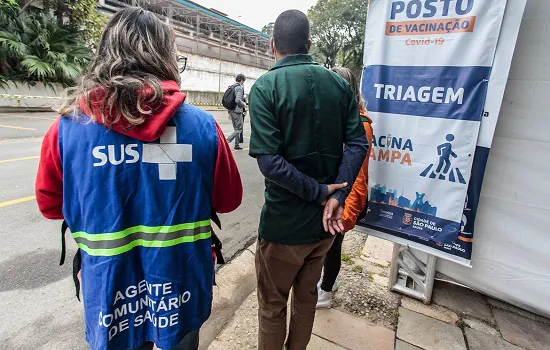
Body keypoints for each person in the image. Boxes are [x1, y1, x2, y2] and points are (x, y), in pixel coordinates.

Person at [35, 8, 242, 350]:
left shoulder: (66, 129)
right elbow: (229, 199)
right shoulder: (202, 126)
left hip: (111, 289)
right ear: (165, 58)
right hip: (180, 284)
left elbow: (50, 206)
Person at [248, 10, 369, 350]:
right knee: (306, 300)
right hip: (325, 227)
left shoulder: (266, 87)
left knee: (273, 307)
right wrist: (336, 196)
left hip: (284, 226)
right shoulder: (339, 85)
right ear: (309, 44)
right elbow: (358, 142)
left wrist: (318, 193)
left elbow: (269, 161)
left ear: (273, 45)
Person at [317, 67, 374, 309]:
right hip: (339, 195)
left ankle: (326, 292)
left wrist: (345, 207)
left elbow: (357, 175)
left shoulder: (360, 124)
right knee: (329, 245)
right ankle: (329, 282)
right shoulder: (343, 119)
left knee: (332, 246)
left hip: (348, 197)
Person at [226, 74, 246, 150]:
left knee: (236, 128)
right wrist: (244, 104)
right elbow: (237, 100)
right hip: (237, 111)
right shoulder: (240, 87)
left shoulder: (232, 86)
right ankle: (227, 140)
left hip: (231, 110)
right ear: (241, 80)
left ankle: (236, 145)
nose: (243, 82)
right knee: (239, 129)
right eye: (243, 81)